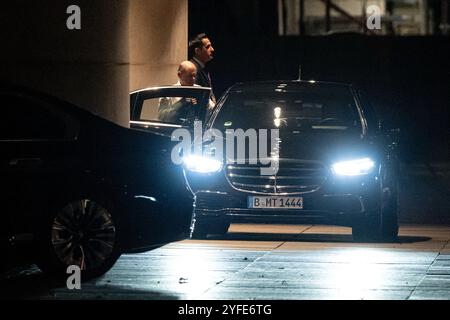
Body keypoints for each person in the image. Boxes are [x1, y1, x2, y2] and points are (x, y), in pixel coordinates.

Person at [188, 33, 216, 104]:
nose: (212, 49)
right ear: (197, 51)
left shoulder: (202, 68)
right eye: (208, 47)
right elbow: (194, 99)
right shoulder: (193, 69)